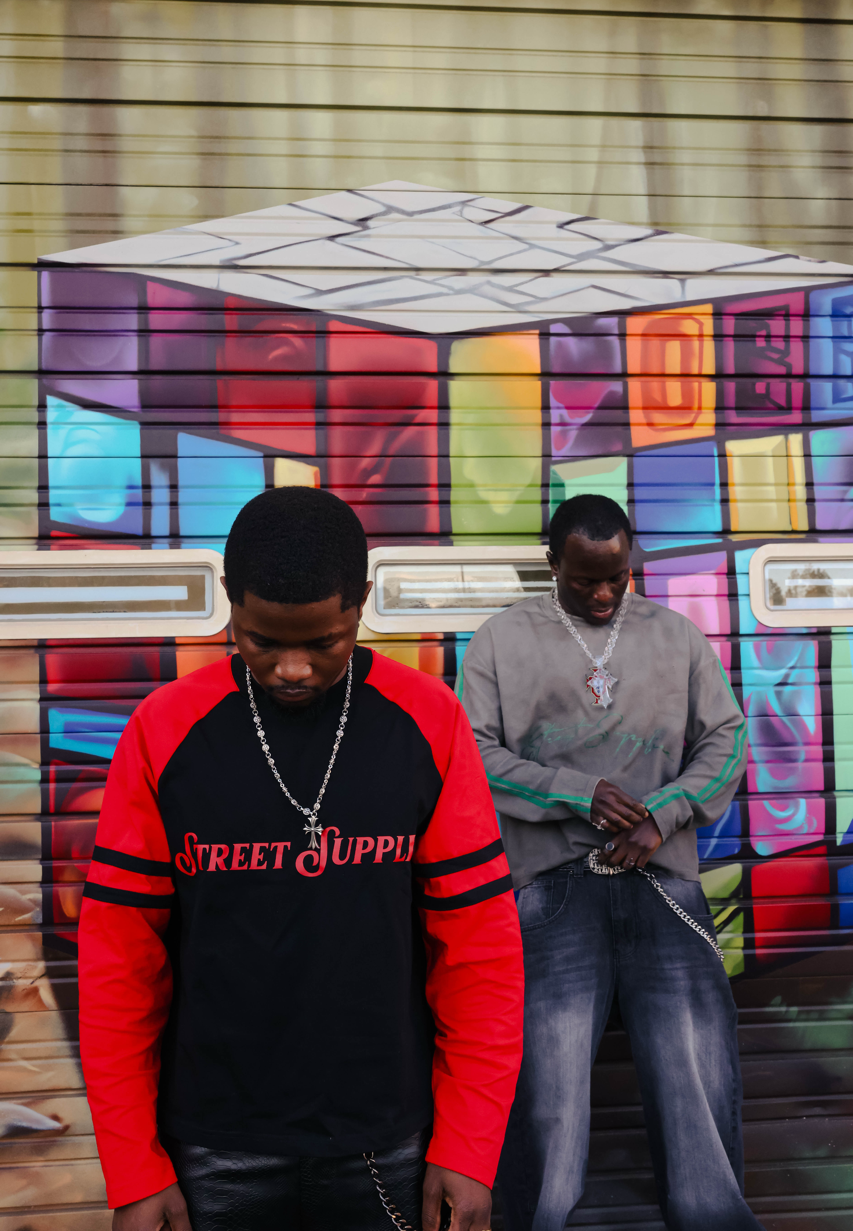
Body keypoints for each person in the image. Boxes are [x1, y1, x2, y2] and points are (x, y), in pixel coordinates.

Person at [78, 486, 524, 1231]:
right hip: (213, 1150)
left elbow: (479, 954)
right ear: (228, 604)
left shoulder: (428, 722)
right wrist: (133, 1170)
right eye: (260, 640)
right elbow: (121, 966)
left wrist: (469, 1148)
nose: (291, 669)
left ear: (361, 605)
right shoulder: (165, 731)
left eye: (323, 643)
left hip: (388, 1143)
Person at [457, 493, 763, 1231]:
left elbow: (726, 741)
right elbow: (472, 751)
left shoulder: (677, 636)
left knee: (694, 1083)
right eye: (582, 580)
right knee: (546, 1097)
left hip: (662, 882)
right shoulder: (500, 639)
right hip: (552, 886)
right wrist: (576, 793)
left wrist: (665, 813)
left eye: (615, 578)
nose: (599, 594)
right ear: (550, 563)